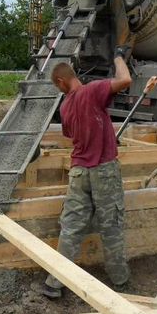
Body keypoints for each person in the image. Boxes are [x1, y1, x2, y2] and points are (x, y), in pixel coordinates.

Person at [37, 47, 134, 299]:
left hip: (79, 172)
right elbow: (125, 80)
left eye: (57, 86)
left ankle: (55, 283)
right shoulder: (91, 91)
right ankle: (120, 281)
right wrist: (118, 56)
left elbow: (71, 135)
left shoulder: (66, 106)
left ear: (61, 81)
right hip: (103, 170)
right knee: (110, 225)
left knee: (71, 227)